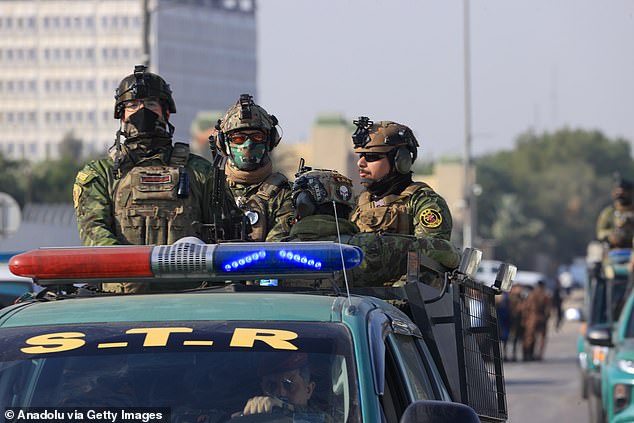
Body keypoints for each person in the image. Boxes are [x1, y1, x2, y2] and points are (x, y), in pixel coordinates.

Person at [73, 65, 242, 293]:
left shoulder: (199, 171)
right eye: (133, 105)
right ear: (122, 115)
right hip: (121, 299)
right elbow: (95, 234)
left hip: (191, 296)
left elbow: (224, 234)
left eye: (151, 104)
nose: (142, 111)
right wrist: (130, 269)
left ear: (166, 112)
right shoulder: (100, 174)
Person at [286, 163, 460, 286]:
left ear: (302, 206)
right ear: (349, 208)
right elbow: (441, 250)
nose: (361, 162)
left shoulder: (273, 255)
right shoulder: (367, 249)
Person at [350, 117, 453, 241]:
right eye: (361, 156)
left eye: (372, 156)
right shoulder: (358, 203)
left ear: (400, 160)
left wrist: (372, 247)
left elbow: (435, 249)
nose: (361, 163)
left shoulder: (422, 202)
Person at [216, 94, 294, 242]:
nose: (248, 145)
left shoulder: (283, 195)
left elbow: (276, 251)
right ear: (223, 143)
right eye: (238, 138)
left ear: (270, 141)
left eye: (257, 137)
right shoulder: (210, 189)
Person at [238, 352, 317, 417]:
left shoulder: (322, 419)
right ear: (262, 388)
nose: (280, 393)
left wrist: (286, 408)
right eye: (271, 386)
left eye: (289, 385)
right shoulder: (251, 416)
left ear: (308, 390)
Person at [596, 176, 634, 249]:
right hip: (613, 251)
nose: (620, 194)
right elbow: (600, 233)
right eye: (618, 192)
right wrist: (611, 235)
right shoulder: (609, 213)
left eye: (623, 192)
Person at [522, 280, 552, 361]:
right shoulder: (546, 295)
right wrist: (545, 317)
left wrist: (525, 318)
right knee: (542, 337)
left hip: (532, 318)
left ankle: (527, 355)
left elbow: (526, 307)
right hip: (542, 318)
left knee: (529, 337)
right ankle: (539, 355)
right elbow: (548, 310)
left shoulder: (532, 295)